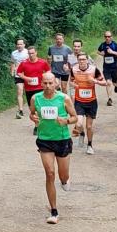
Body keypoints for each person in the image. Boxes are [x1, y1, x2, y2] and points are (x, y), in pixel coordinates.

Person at [28, 73, 79, 224]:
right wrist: (33, 118)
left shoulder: (64, 98)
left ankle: (65, 180)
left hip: (62, 140)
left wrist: (66, 121)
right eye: (45, 83)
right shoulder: (35, 98)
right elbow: (32, 114)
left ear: (56, 83)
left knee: (63, 176)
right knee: (50, 174)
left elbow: (75, 117)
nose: (48, 86)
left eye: (50, 83)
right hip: (45, 140)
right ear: (41, 83)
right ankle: (54, 211)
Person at [70, 53, 108, 154]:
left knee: (89, 127)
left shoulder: (94, 69)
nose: (82, 61)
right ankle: (82, 133)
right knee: (78, 123)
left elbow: (105, 83)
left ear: (87, 60)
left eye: (83, 59)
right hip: (79, 101)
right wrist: (74, 85)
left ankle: (90, 145)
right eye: (80, 59)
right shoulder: (74, 69)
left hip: (91, 102)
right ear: (77, 60)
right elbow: (71, 81)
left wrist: (95, 81)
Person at [16, 46, 51, 135]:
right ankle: (38, 123)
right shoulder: (24, 63)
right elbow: (19, 72)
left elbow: (48, 70)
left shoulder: (42, 62)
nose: (31, 55)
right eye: (29, 53)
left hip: (40, 88)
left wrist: (44, 77)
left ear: (36, 53)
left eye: (32, 53)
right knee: (32, 108)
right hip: (29, 89)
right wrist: (26, 78)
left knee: (40, 106)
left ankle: (37, 126)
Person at [97, 31, 117, 106]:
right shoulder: (102, 45)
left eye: (109, 36)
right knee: (108, 82)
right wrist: (101, 53)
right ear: (104, 37)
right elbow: (98, 51)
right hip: (106, 68)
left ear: (111, 37)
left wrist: (112, 52)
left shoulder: (115, 45)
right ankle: (110, 99)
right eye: (106, 36)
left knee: (114, 83)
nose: (107, 38)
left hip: (115, 67)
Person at [10, 38, 30, 119]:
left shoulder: (28, 52)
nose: (19, 46)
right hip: (18, 74)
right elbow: (12, 63)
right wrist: (12, 71)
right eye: (18, 44)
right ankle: (20, 110)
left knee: (29, 92)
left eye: (21, 44)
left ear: (24, 45)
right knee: (20, 91)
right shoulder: (14, 53)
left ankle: (33, 108)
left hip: (28, 75)